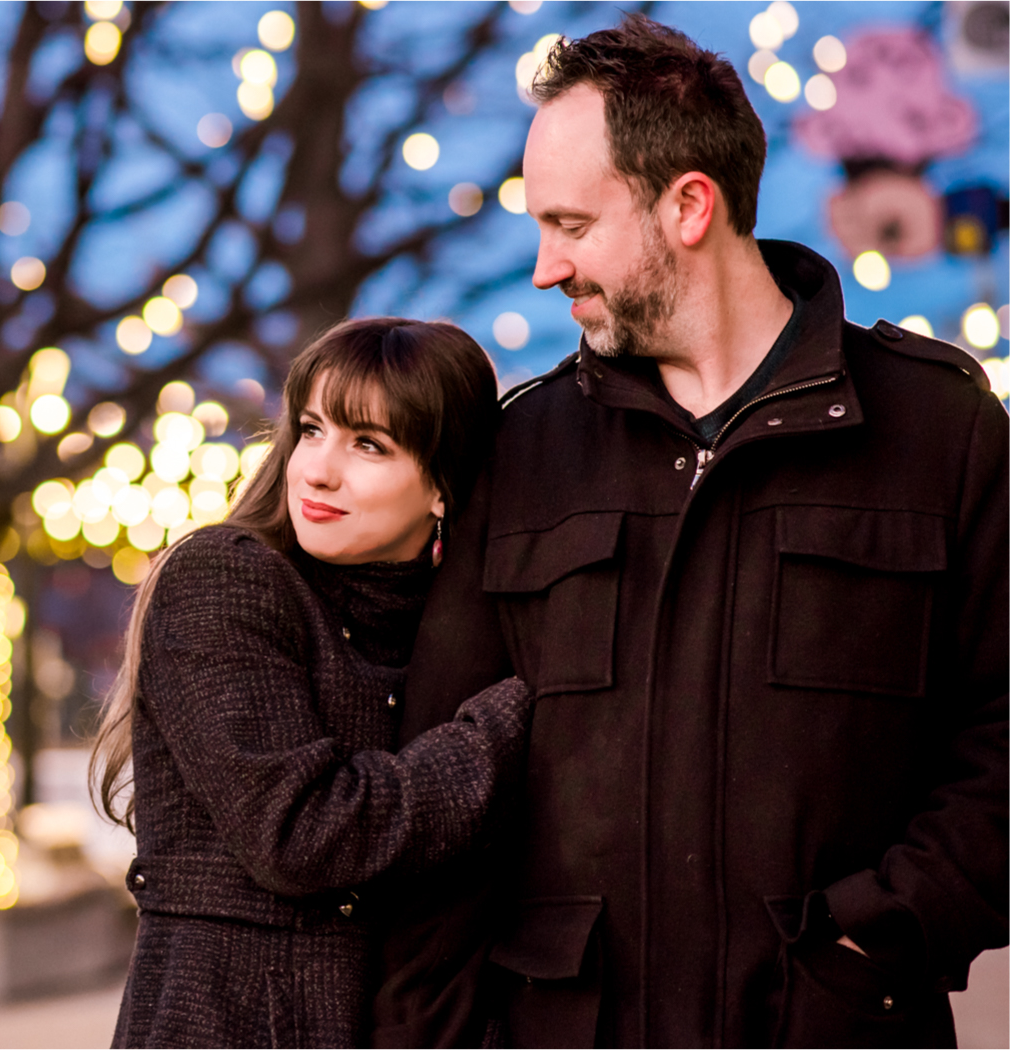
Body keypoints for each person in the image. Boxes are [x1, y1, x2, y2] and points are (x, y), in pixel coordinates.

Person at [376, 15, 1008, 1049]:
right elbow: (438, 797)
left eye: (571, 225)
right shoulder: (521, 453)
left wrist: (880, 939)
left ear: (688, 206)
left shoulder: (941, 433)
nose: (544, 268)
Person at [93, 317, 533, 1048]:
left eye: (369, 444)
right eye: (311, 429)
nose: (318, 470)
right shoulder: (224, 579)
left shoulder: (455, 624)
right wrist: (516, 721)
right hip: (228, 1025)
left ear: (443, 486)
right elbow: (301, 834)